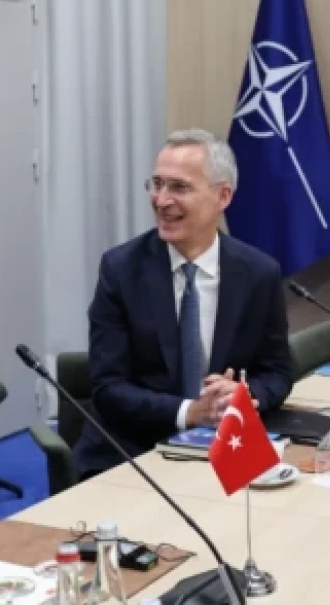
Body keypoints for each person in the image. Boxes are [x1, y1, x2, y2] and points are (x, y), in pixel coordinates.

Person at [75, 129, 293, 477]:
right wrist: (189, 412)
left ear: (223, 196)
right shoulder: (121, 269)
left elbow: (277, 372)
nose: (161, 200)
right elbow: (107, 387)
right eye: (157, 184)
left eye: (179, 187)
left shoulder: (258, 273)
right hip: (132, 451)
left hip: (227, 446)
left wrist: (245, 394)